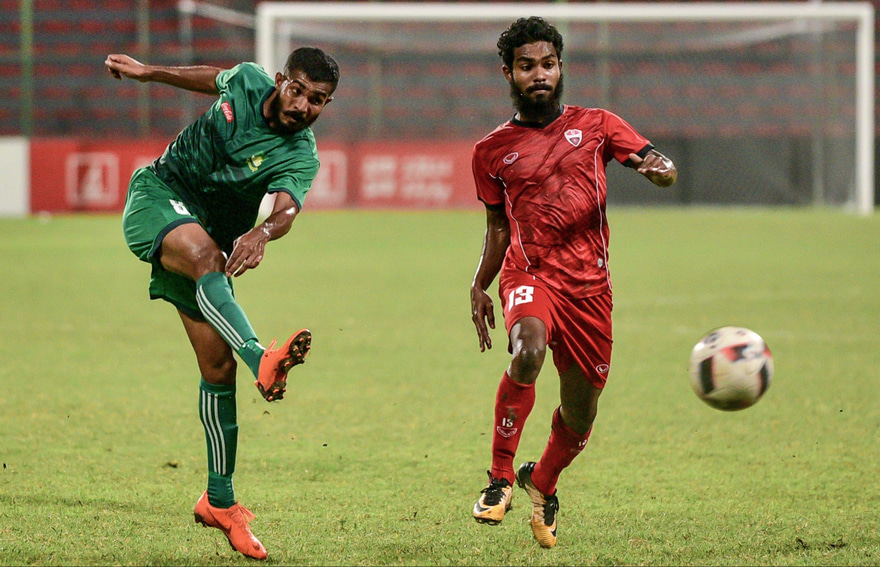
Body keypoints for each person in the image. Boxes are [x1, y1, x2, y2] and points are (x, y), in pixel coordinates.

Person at [105, 47, 339, 560]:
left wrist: (263, 232)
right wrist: (150, 72)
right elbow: (213, 78)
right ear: (280, 80)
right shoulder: (249, 81)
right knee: (209, 259)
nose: (303, 105)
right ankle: (262, 358)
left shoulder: (301, 153)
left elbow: (287, 209)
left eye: (318, 100)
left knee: (217, 369)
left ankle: (219, 500)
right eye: (298, 90)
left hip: (205, 239)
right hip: (159, 194)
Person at [469, 17, 677, 549]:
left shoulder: (598, 124)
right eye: (526, 66)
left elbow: (651, 158)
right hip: (529, 273)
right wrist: (479, 284)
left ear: (560, 67)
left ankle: (542, 482)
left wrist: (660, 168)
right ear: (508, 73)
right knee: (528, 350)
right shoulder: (491, 150)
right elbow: (498, 227)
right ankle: (499, 478)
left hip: (590, 290)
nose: (538, 74)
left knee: (581, 415)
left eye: (548, 64)